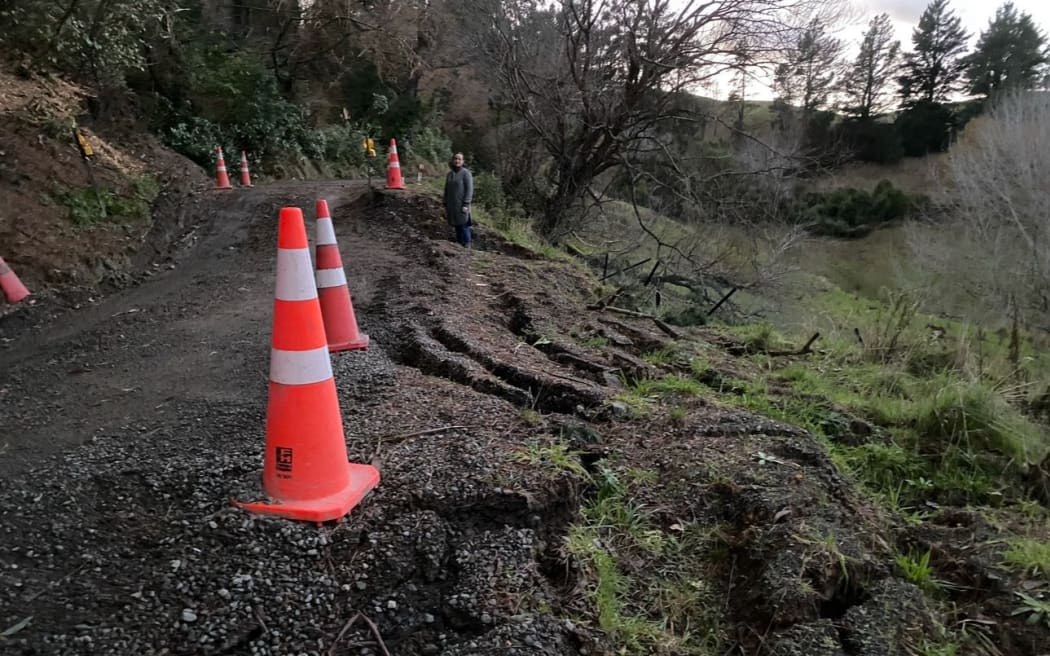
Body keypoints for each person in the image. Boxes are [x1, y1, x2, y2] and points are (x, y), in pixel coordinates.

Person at [443, 152, 474, 247]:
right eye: (455, 159)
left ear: (462, 161)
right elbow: (446, 189)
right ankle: (459, 244)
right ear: (453, 160)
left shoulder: (466, 173)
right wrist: (445, 201)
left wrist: (466, 203)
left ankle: (467, 244)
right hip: (452, 204)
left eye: (459, 159)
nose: (457, 161)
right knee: (456, 225)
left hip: (462, 204)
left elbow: (469, 190)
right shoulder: (450, 174)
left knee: (464, 225)